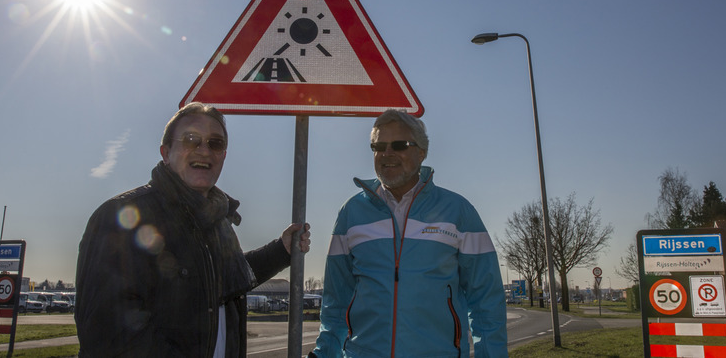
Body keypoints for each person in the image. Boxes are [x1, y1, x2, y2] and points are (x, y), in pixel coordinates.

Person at [75, 102, 311, 357]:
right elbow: (108, 335)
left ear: (223, 156)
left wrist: (281, 250)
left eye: (215, 143)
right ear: (166, 153)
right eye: (190, 139)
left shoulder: (218, 221)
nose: (204, 150)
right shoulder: (121, 217)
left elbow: (229, 278)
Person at [309, 109, 507, 358]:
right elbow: (335, 303)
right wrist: (325, 353)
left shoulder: (459, 212)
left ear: (422, 152)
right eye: (379, 146)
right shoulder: (351, 213)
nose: (387, 153)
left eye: (399, 145)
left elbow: (486, 302)